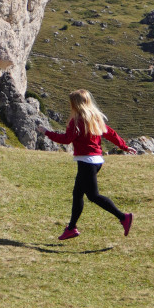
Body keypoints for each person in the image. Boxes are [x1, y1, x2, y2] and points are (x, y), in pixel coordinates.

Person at [42, 89, 136, 241]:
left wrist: (47, 132)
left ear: (76, 104)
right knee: (77, 194)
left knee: (93, 196)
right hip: (96, 160)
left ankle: (123, 217)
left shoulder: (77, 121)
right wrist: (124, 146)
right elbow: (110, 133)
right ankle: (71, 228)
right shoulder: (95, 118)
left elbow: (66, 139)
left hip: (86, 162)